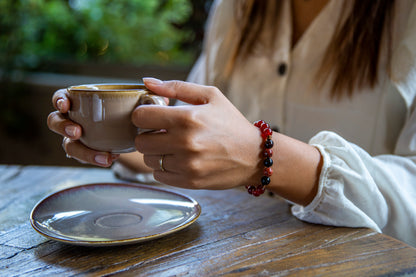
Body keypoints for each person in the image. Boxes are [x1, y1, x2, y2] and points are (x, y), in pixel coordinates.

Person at [47, 0, 416, 247]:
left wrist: (262, 158)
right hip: (232, 251)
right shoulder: (235, 8)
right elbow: (195, 143)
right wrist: (114, 139)